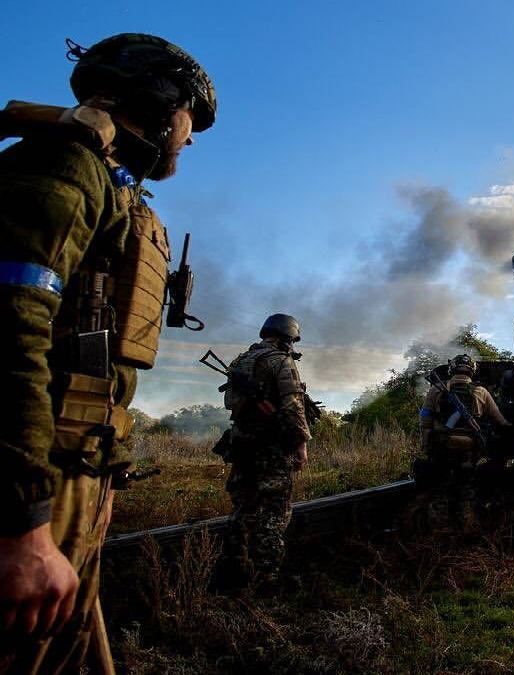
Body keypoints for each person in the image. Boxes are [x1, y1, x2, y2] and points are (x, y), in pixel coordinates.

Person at [0, 34, 216, 673]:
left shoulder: (117, 189)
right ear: (160, 101)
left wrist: (101, 472)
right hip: (36, 488)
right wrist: (23, 523)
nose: (191, 139)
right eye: (191, 120)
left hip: (77, 475)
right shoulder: (64, 168)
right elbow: (12, 327)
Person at [219, 313, 311, 589]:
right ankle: (267, 578)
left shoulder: (241, 361)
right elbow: (293, 407)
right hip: (271, 448)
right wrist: (300, 444)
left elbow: (230, 403)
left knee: (243, 509)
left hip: (242, 444)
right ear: (287, 338)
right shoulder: (281, 361)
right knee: (274, 511)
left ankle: (234, 569)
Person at [418, 354, 510, 459]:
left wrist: (426, 445)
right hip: (473, 442)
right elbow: (499, 418)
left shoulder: (436, 389)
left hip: (442, 440)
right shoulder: (481, 391)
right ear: (472, 370)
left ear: (451, 369)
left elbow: (425, 417)